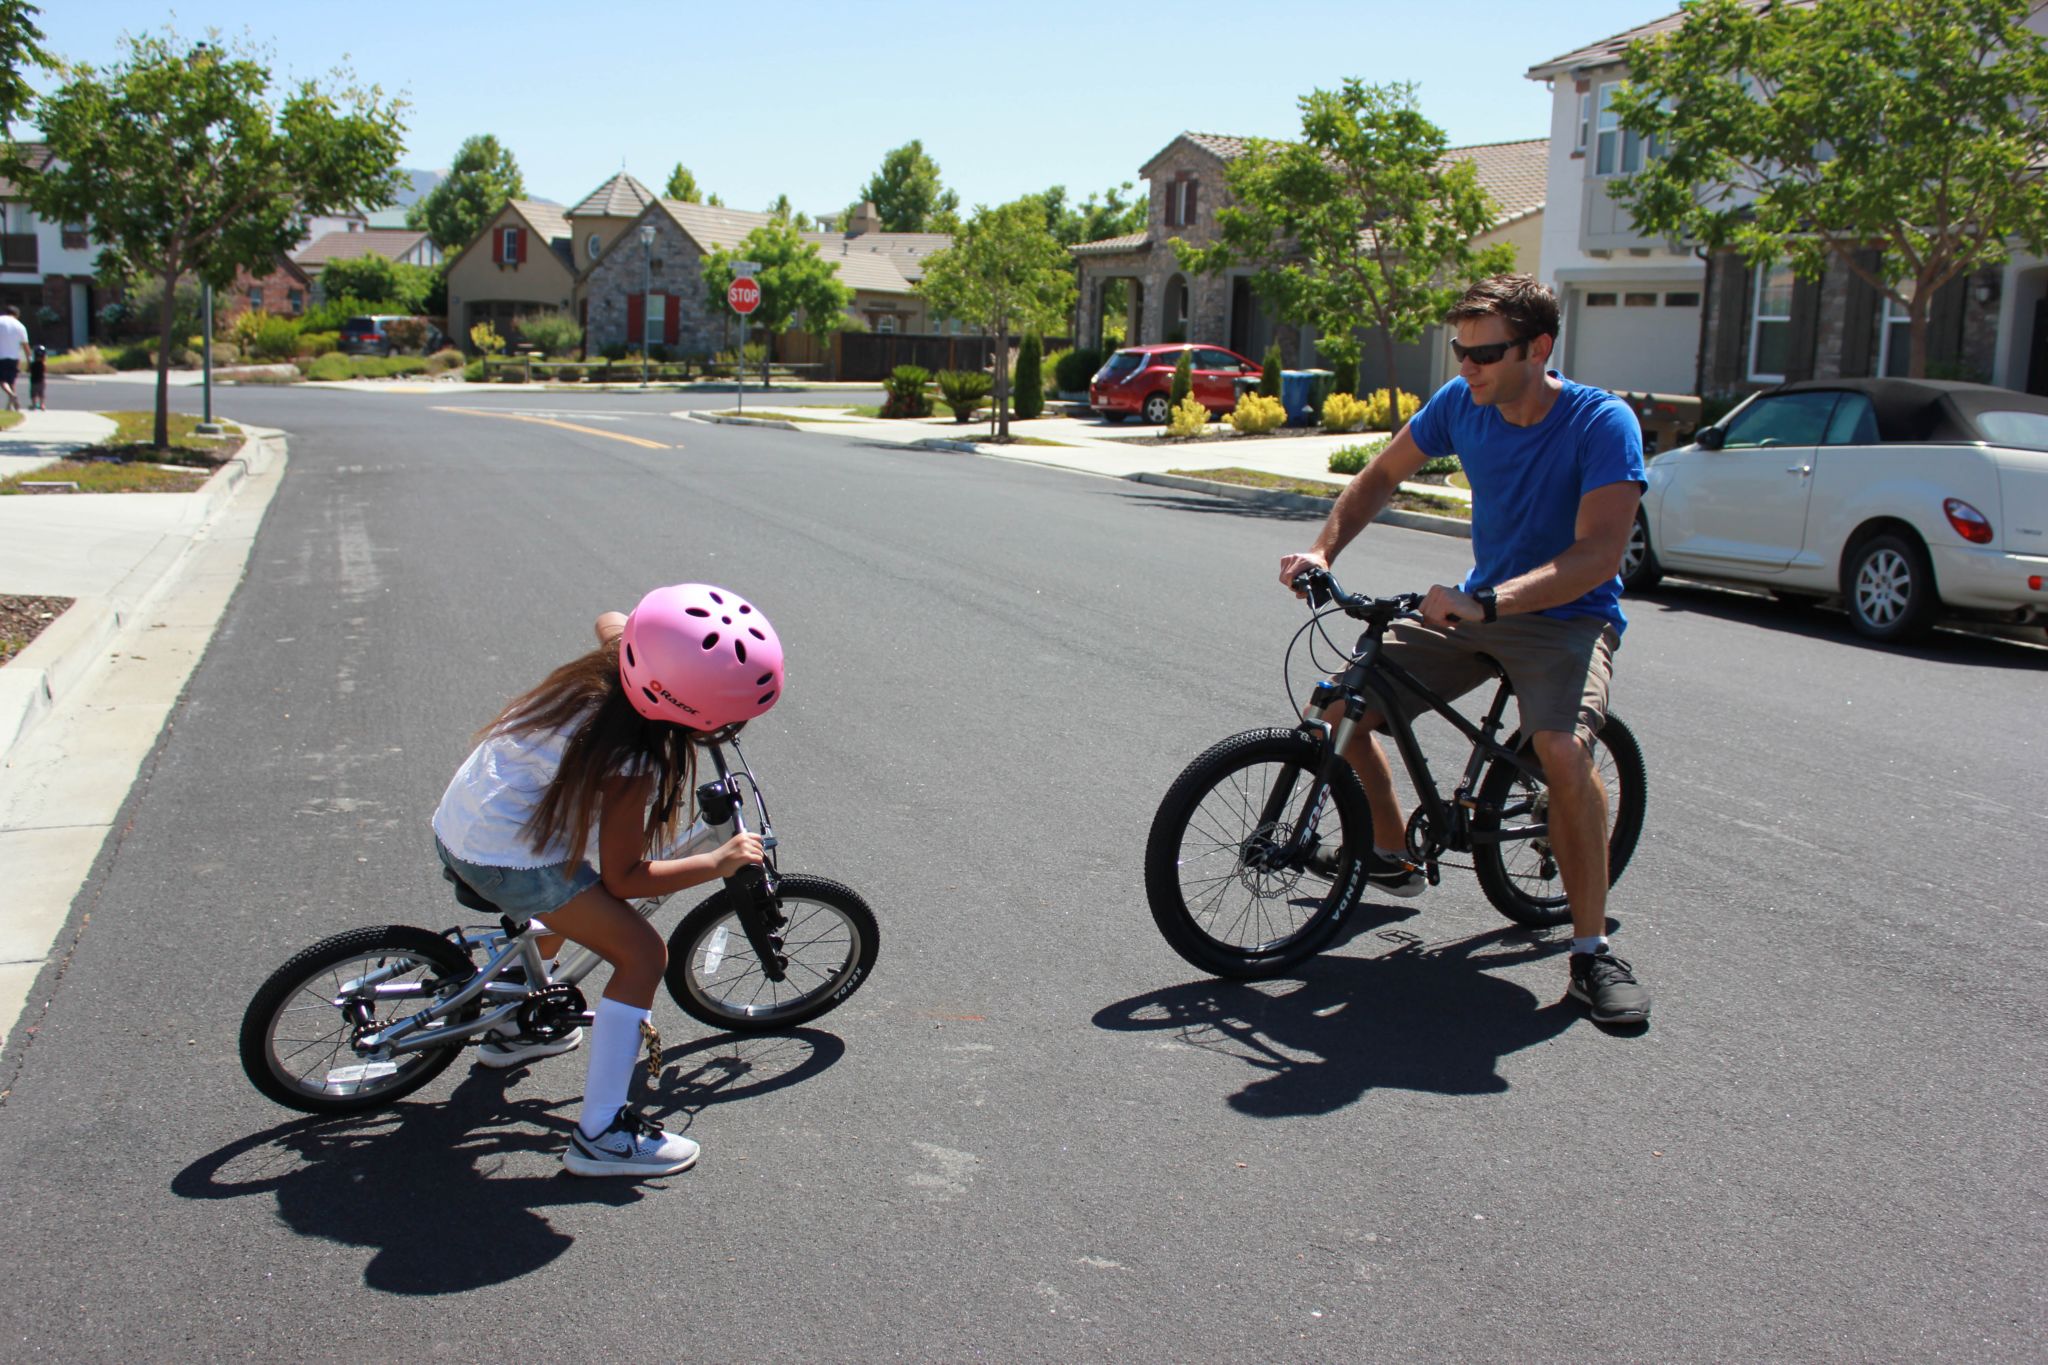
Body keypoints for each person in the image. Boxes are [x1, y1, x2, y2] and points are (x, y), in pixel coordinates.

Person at [1277, 274, 1652, 1025]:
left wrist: (1491, 600)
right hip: (1477, 609)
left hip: (1565, 618)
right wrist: (1322, 550)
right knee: (1340, 708)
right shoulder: (1461, 406)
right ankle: (1391, 855)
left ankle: (1589, 952)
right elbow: (1381, 475)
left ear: (1539, 348)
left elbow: (1599, 554)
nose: (1467, 367)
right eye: (1460, 350)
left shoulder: (1600, 423)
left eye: (1486, 352)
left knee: (1562, 750)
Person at [433, 583, 784, 1176]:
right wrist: (717, 863)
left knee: (577, 889)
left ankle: (518, 1024)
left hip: (468, 819)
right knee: (643, 953)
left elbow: (612, 618)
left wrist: (635, 630)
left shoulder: (621, 664)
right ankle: (602, 1134)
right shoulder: (632, 760)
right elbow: (625, 879)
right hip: (502, 854)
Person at [0, 305, 29, 411]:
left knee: (2, 381)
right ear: (16, 315)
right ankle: (10, 406)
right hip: (14, 357)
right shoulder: (20, 326)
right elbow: (26, 346)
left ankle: (12, 395)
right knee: (11, 381)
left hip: (1, 356)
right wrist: (29, 361)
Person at [28, 344, 46, 411]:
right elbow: (44, 371)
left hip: (34, 381)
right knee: (41, 394)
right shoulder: (43, 364)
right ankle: (42, 405)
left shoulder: (33, 364)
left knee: (33, 394)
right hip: (41, 381)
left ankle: (34, 405)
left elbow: (29, 370)